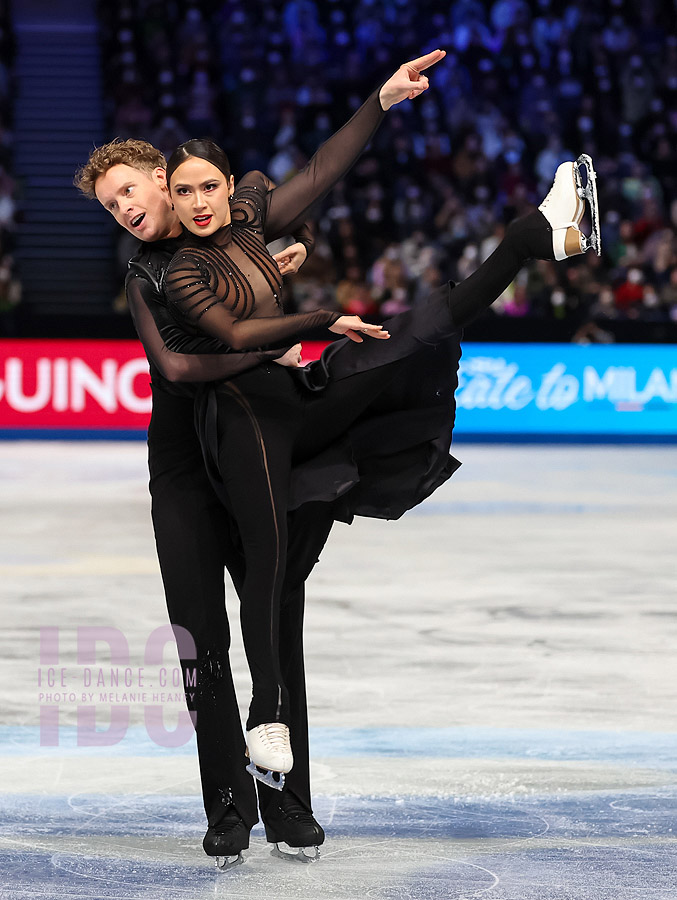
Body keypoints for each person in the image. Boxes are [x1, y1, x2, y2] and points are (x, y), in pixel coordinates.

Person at [159, 64, 600, 790]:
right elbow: (233, 335)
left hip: (292, 397)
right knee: (266, 568)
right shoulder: (179, 270)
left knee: (405, 337)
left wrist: (379, 101)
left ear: (228, 186)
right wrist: (317, 318)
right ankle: (265, 717)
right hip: (238, 424)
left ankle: (532, 237)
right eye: (184, 192)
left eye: (209, 186)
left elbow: (322, 168)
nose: (200, 201)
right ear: (171, 201)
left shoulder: (247, 220)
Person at [75, 144, 333, 867]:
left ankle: (284, 798)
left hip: (249, 441)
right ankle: (227, 802)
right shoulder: (143, 274)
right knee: (199, 638)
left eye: (129, 190)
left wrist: (379, 99)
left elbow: (307, 183)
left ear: (163, 181)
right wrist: (277, 347)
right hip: (184, 464)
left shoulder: (227, 230)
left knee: (276, 620)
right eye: (109, 204)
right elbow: (178, 367)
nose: (123, 208)